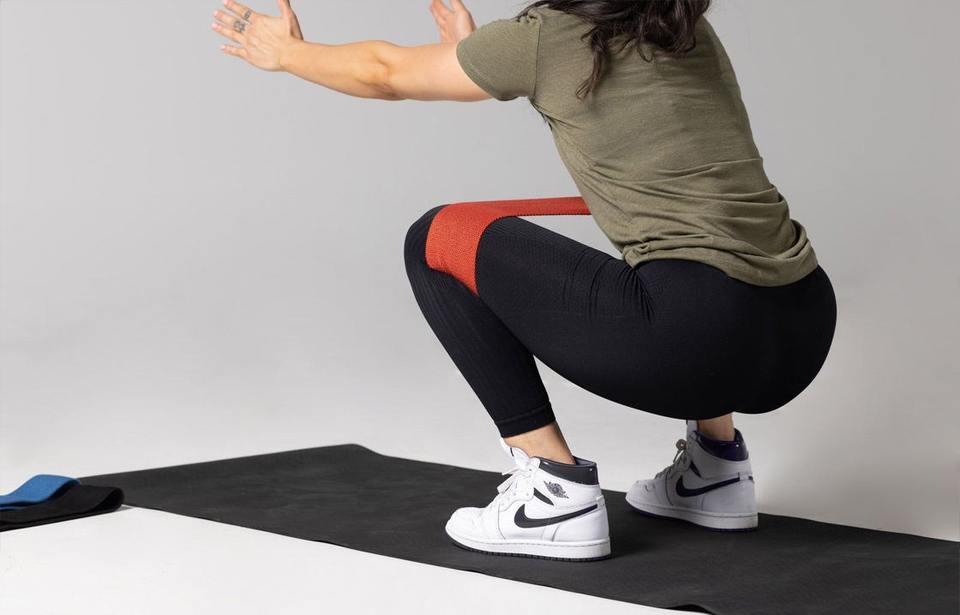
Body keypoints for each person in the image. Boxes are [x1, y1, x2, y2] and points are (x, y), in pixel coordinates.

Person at [211, 0, 837, 561]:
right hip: (802, 328)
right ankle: (716, 471)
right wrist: (475, 51)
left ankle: (555, 492)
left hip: (696, 340)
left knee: (436, 238)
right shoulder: (679, 24)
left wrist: (288, 53)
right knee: (680, 251)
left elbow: (385, 72)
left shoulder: (550, 35)